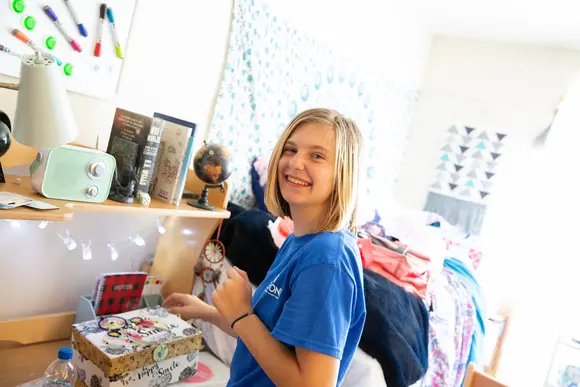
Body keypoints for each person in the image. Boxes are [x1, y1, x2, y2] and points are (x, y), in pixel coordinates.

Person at [163, 108, 366, 387]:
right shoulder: (299, 241)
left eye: (316, 155)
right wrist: (206, 311)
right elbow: (270, 338)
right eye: (290, 149)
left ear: (343, 172)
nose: (295, 163)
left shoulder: (326, 259)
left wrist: (241, 313)